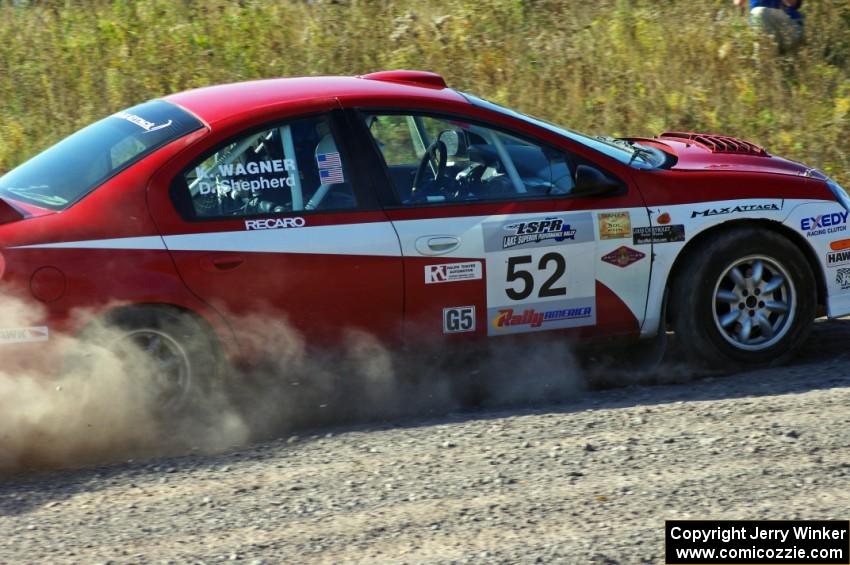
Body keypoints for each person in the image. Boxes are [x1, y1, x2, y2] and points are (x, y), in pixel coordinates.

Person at [734, 0, 804, 52]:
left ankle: (765, 67)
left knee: (759, 14)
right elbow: (738, 3)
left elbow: (792, 3)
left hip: (791, 27)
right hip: (762, 29)